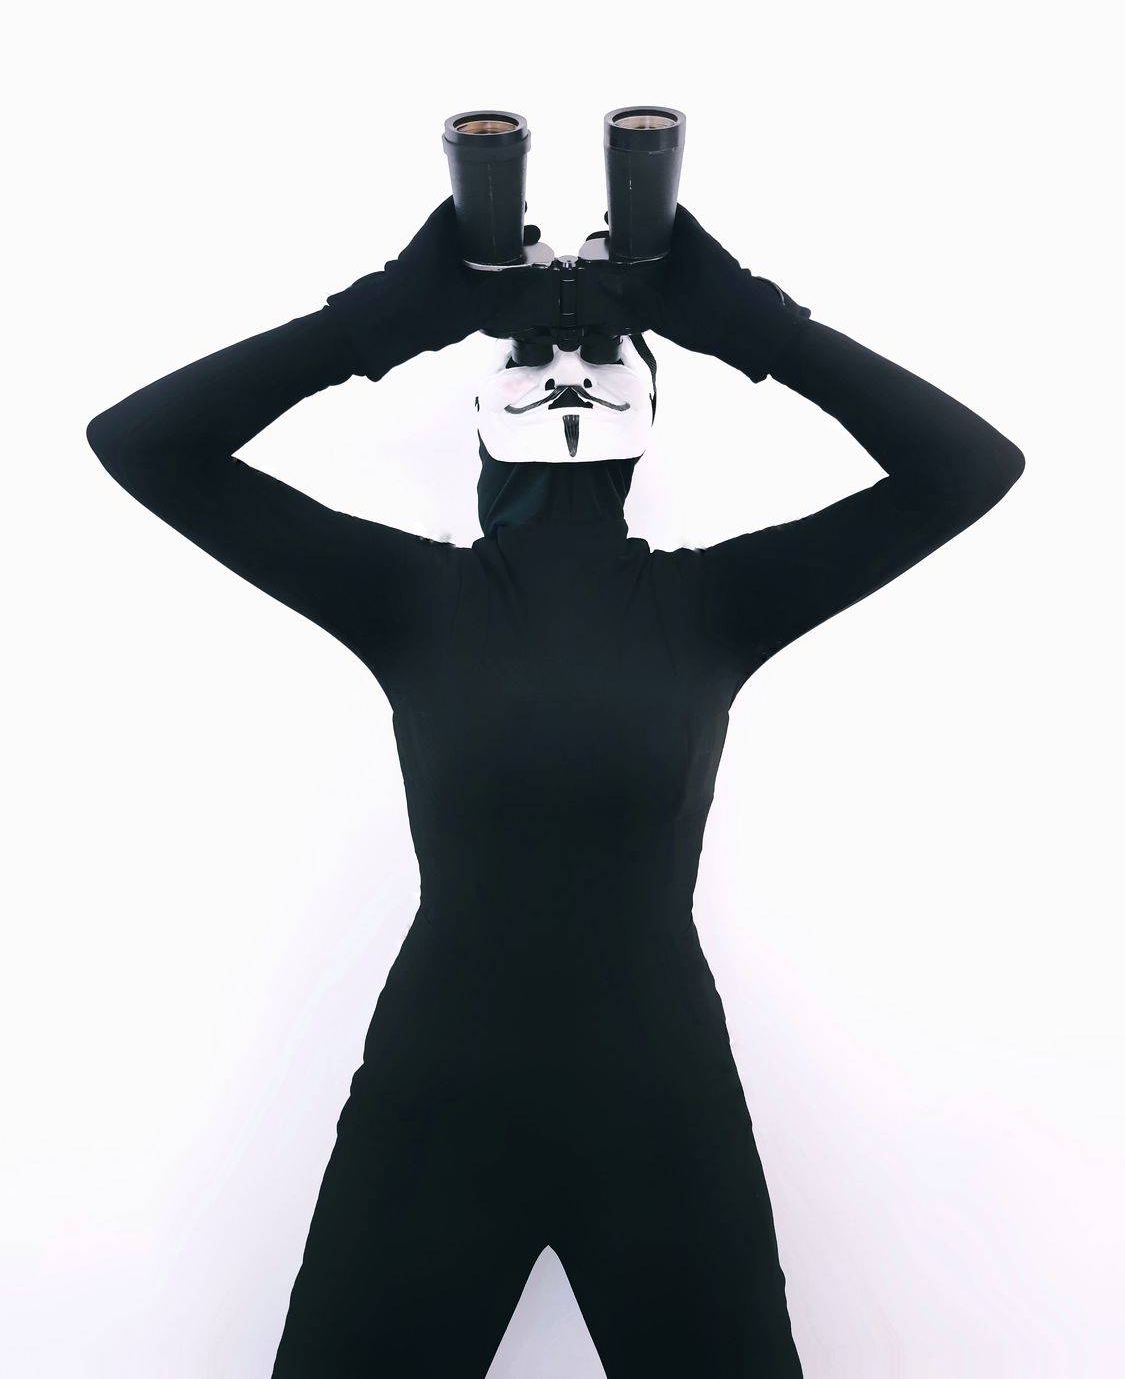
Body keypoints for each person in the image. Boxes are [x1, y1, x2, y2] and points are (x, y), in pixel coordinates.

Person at [87, 197, 1024, 1377]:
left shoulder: (711, 605)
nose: (567, 376)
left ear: (647, 411)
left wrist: (752, 325)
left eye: (598, 358)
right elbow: (141, 444)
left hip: (657, 1115)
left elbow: (971, 469)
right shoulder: (415, 599)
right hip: (441, 1110)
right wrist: (383, 319)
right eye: (533, 356)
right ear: (484, 409)